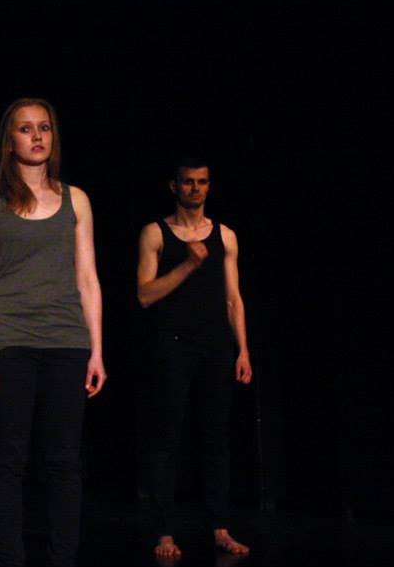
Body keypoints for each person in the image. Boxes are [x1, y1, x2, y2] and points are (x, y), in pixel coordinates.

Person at [0, 98, 106, 566]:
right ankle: (11, 558)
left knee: (64, 459)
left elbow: (88, 278)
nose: (37, 136)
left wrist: (97, 350)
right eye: (26, 129)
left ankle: (63, 558)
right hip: (10, 341)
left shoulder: (76, 199)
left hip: (67, 340)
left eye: (44, 127)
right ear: (10, 141)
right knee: (9, 459)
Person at [136, 158, 252, 558]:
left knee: (216, 437)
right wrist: (188, 264)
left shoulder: (226, 236)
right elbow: (144, 295)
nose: (196, 189)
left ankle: (220, 527)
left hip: (216, 345)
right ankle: (165, 533)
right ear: (175, 186)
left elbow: (233, 298)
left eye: (202, 182)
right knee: (168, 436)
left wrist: (243, 350)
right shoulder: (155, 233)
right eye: (188, 182)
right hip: (174, 344)